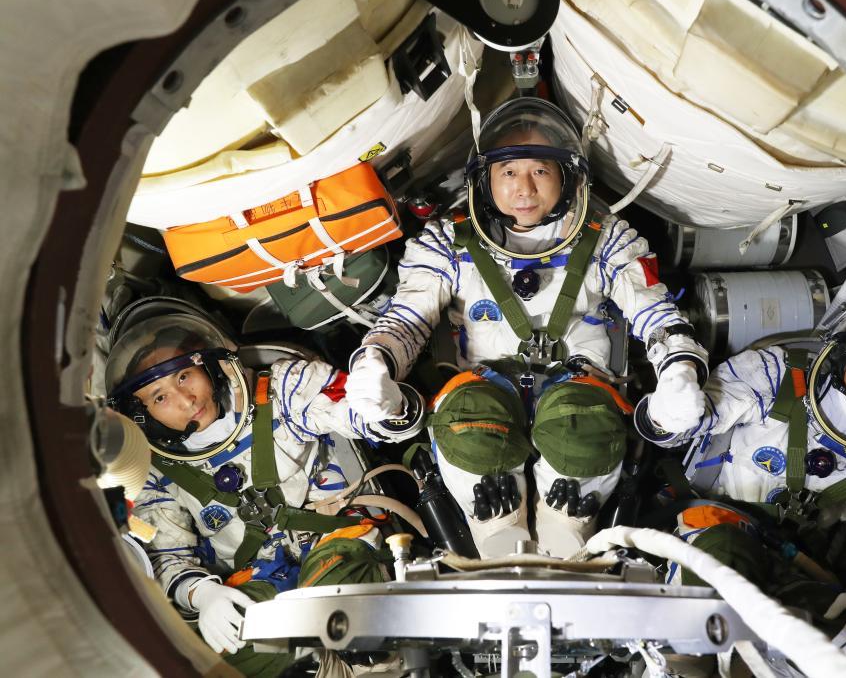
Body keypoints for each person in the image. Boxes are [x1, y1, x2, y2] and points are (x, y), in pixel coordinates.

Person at [344, 97, 709, 558]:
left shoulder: (608, 239)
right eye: (509, 172)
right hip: (481, 396)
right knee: (472, 424)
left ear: (567, 177)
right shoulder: (447, 242)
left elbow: (655, 313)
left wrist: (678, 370)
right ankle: (497, 537)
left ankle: (567, 535)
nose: (524, 188)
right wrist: (376, 362)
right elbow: (406, 320)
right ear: (485, 179)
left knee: (580, 428)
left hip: (581, 394)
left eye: (540, 170)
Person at [106, 311, 418, 675]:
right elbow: (166, 556)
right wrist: (202, 595)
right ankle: (318, 665)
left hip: (336, 543)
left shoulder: (282, 389)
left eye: (184, 376)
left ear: (209, 366)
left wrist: (386, 406)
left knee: (333, 595)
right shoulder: (153, 470)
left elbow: (350, 411)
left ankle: (384, 662)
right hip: (259, 577)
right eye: (160, 397)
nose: (187, 401)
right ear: (141, 415)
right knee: (215, 653)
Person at [637, 305, 846, 650]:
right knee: (723, 557)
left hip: (794, 566)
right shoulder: (777, 375)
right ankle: (684, 657)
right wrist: (668, 413)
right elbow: (699, 416)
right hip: (705, 532)